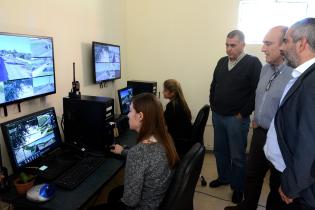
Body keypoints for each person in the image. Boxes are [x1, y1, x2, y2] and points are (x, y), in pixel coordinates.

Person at [225, 26, 293, 210]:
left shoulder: (294, 75)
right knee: (252, 174)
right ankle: (247, 206)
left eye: (268, 43)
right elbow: (259, 96)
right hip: (260, 133)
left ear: (285, 44)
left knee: (276, 182)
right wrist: (256, 117)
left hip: (280, 138)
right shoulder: (265, 69)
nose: (263, 48)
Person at [91, 93, 179, 210]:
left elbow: (130, 201)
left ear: (140, 116)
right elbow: (147, 160)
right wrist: (123, 151)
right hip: (158, 199)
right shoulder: (165, 137)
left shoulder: (138, 153)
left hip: (143, 207)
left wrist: (131, 154)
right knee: (114, 193)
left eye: (131, 110)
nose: (127, 115)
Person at [264, 18, 315, 210]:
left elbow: (310, 144)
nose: (282, 47)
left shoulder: (312, 83)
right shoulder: (303, 75)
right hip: (283, 172)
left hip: (295, 188)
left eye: (285, 41)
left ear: (301, 43)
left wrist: (291, 186)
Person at [209, 30, 262, 203]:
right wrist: (213, 104)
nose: (228, 49)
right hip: (218, 115)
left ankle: (238, 187)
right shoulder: (221, 61)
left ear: (242, 45)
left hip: (236, 119)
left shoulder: (253, 63)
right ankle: (224, 177)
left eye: (233, 45)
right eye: (227, 45)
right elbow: (214, 85)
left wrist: (243, 113)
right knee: (220, 151)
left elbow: (257, 92)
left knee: (238, 156)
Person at [163, 79, 193, 155]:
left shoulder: (172, 106)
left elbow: (162, 122)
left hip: (177, 140)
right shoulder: (180, 102)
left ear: (172, 93)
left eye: (165, 90)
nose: (163, 92)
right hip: (184, 137)